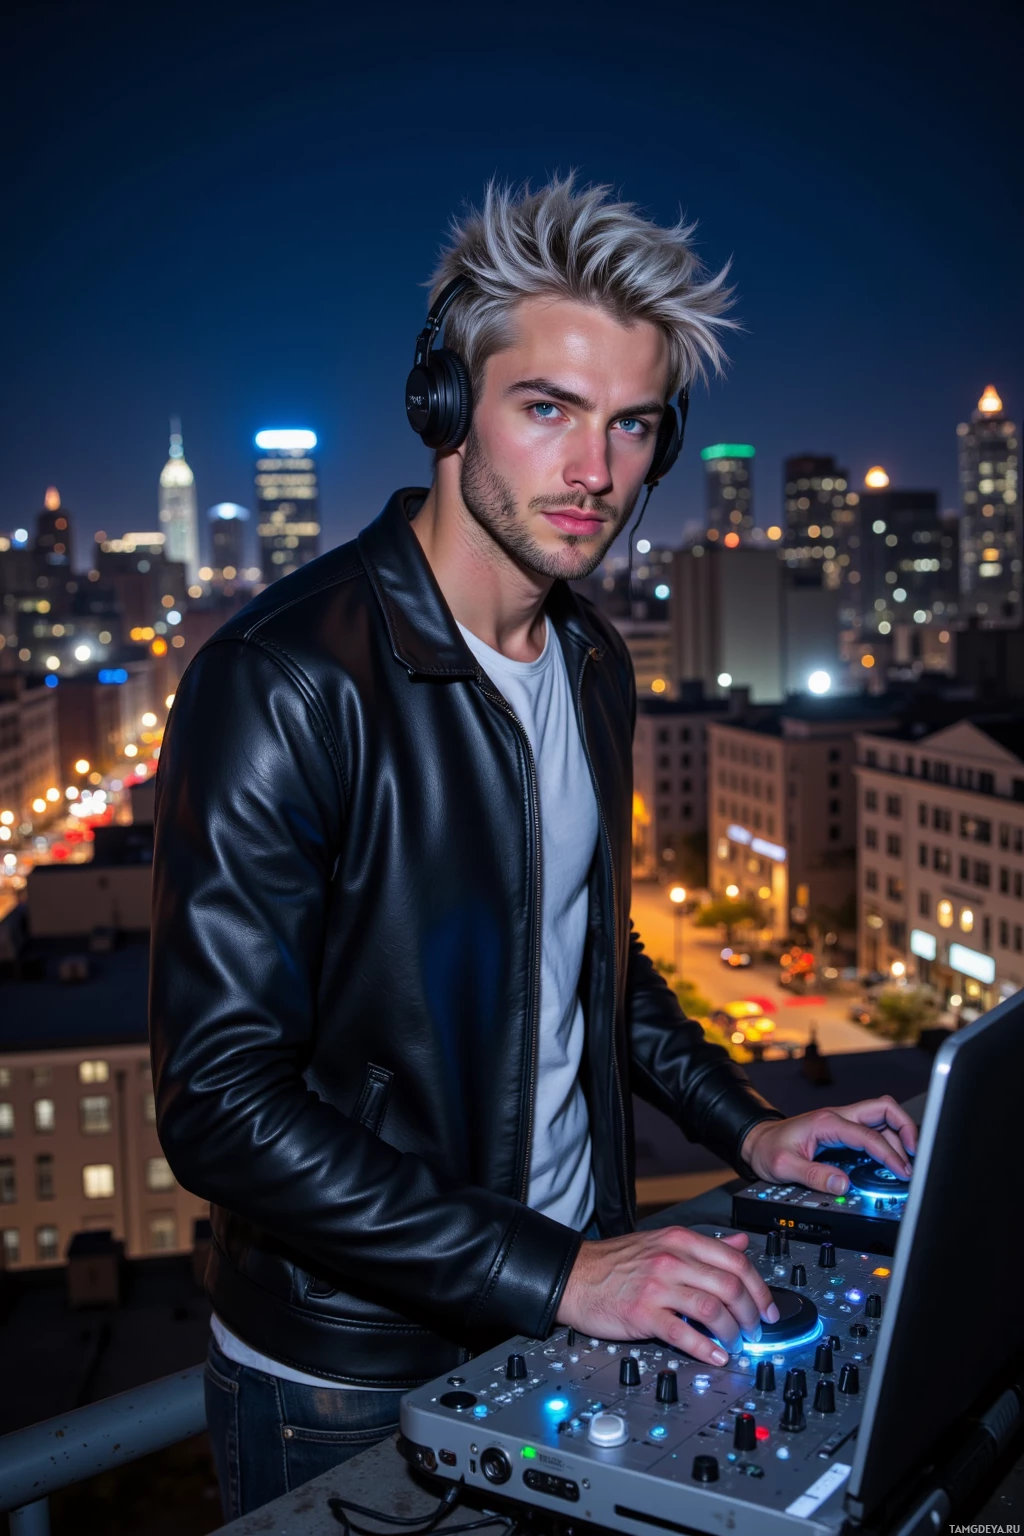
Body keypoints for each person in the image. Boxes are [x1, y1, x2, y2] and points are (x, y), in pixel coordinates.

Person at [150, 177, 916, 1520]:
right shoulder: (283, 681)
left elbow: (592, 961)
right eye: (547, 409)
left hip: (569, 1315)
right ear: (444, 407)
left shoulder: (592, 662)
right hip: (349, 1379)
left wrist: (755, 1130)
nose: (596, 474)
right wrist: (560, 1272)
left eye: (631, 427)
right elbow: (220, 1104)